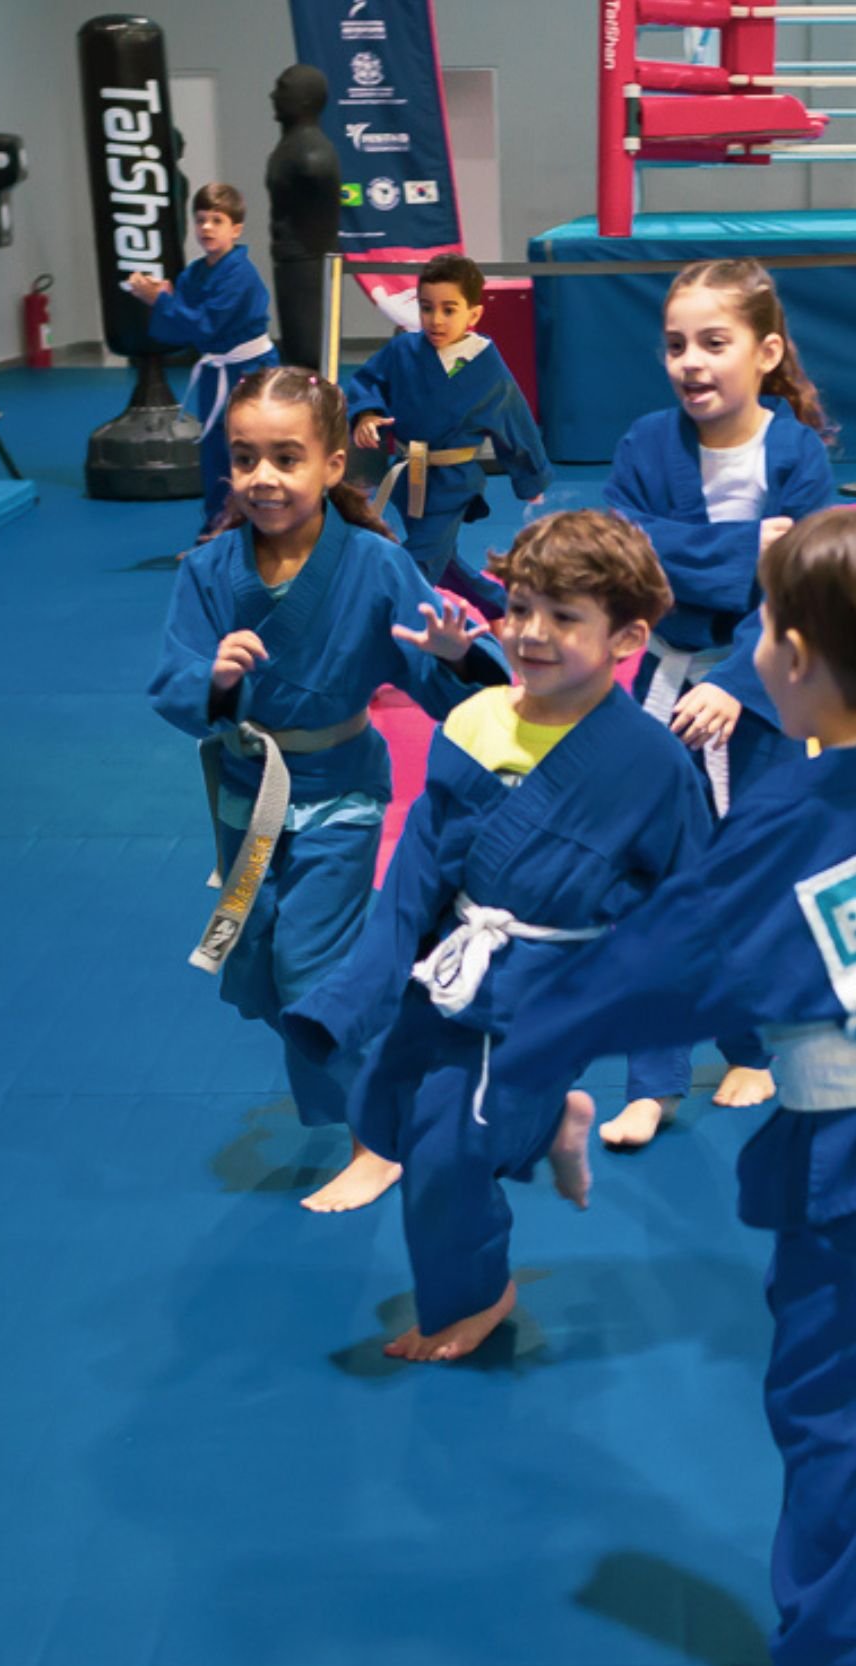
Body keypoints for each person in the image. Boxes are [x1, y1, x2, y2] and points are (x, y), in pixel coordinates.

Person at [490, 508, 856, 1666]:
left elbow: (665, 961)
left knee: (824, 1404)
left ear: (790, 656)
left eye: (760, 627)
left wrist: (522, 1052)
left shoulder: (794, 819)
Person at [281, 510, 712, 1364]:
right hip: (455, 965)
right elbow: (416, 874)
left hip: (552, 991)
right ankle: (548, 1119)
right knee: (391, 1108)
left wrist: (660, 1052)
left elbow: (688, 901)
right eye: (518, 608)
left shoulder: (650, 762)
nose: (530, 633)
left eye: (563, 616)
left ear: (627, 638)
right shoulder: (475, 719)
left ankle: (474, 1295)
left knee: (444, 1152)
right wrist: (353, 995)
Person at [150, 367, 509, 1214]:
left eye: (286, 458)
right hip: (246, 798)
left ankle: (376, 1140)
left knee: (311, 964)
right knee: (260, 967)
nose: (263, 478)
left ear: (332, 464)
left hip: (340, 793)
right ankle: (399, 1042)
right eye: (245, 458)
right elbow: (170, 682)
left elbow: (451, 686)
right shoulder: (208, 571)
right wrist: (215, 678)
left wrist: (459, 655)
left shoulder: (377, 565)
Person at [602, 257, 835, 1147]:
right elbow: (625, 557)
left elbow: (799, 591)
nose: (690, 362)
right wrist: (745, 550)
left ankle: (752, 1046)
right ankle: (652, 1081)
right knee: (653, 879)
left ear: (765, 352)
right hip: (663, 685)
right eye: (674, 345)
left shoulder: (797, 455)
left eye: (713, 342)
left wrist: (737, 683)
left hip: (766, 692)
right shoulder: (643, 444)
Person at [346, 252, 551, 615]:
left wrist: (530, 478)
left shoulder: (487, 367)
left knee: (421, 561)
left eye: (449, 309)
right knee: (444, 560)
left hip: (452, 482)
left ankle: (385, 617)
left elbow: (514, 422)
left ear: (473, 314)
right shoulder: (404, 349)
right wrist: (367, 413)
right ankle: (500, 607)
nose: (436, 320)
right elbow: (369, 380)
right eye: (427, 308)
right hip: (407, 473)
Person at [128, 182, 278, 537]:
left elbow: (206, 324)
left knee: (250, 447)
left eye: (217, 220)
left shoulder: (241, 274)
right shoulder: (194, 273)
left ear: (236, 229)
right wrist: (163, 296)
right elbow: (179, 330)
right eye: (200, 220)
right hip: (216, 370)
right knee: (215, 451)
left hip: (250, 371)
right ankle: (217, 529)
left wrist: (161, 302)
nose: (207, 227)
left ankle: (258, 530)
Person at [265, 65, 340, 370]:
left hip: (308, 262)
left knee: (310, 351)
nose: (274, 96)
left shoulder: (311, 156)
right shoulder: (293, 146)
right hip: (294, 261)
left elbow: (317, 179)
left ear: (306, 99)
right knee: (298, 352)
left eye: (282, 89)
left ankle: (316, 399)